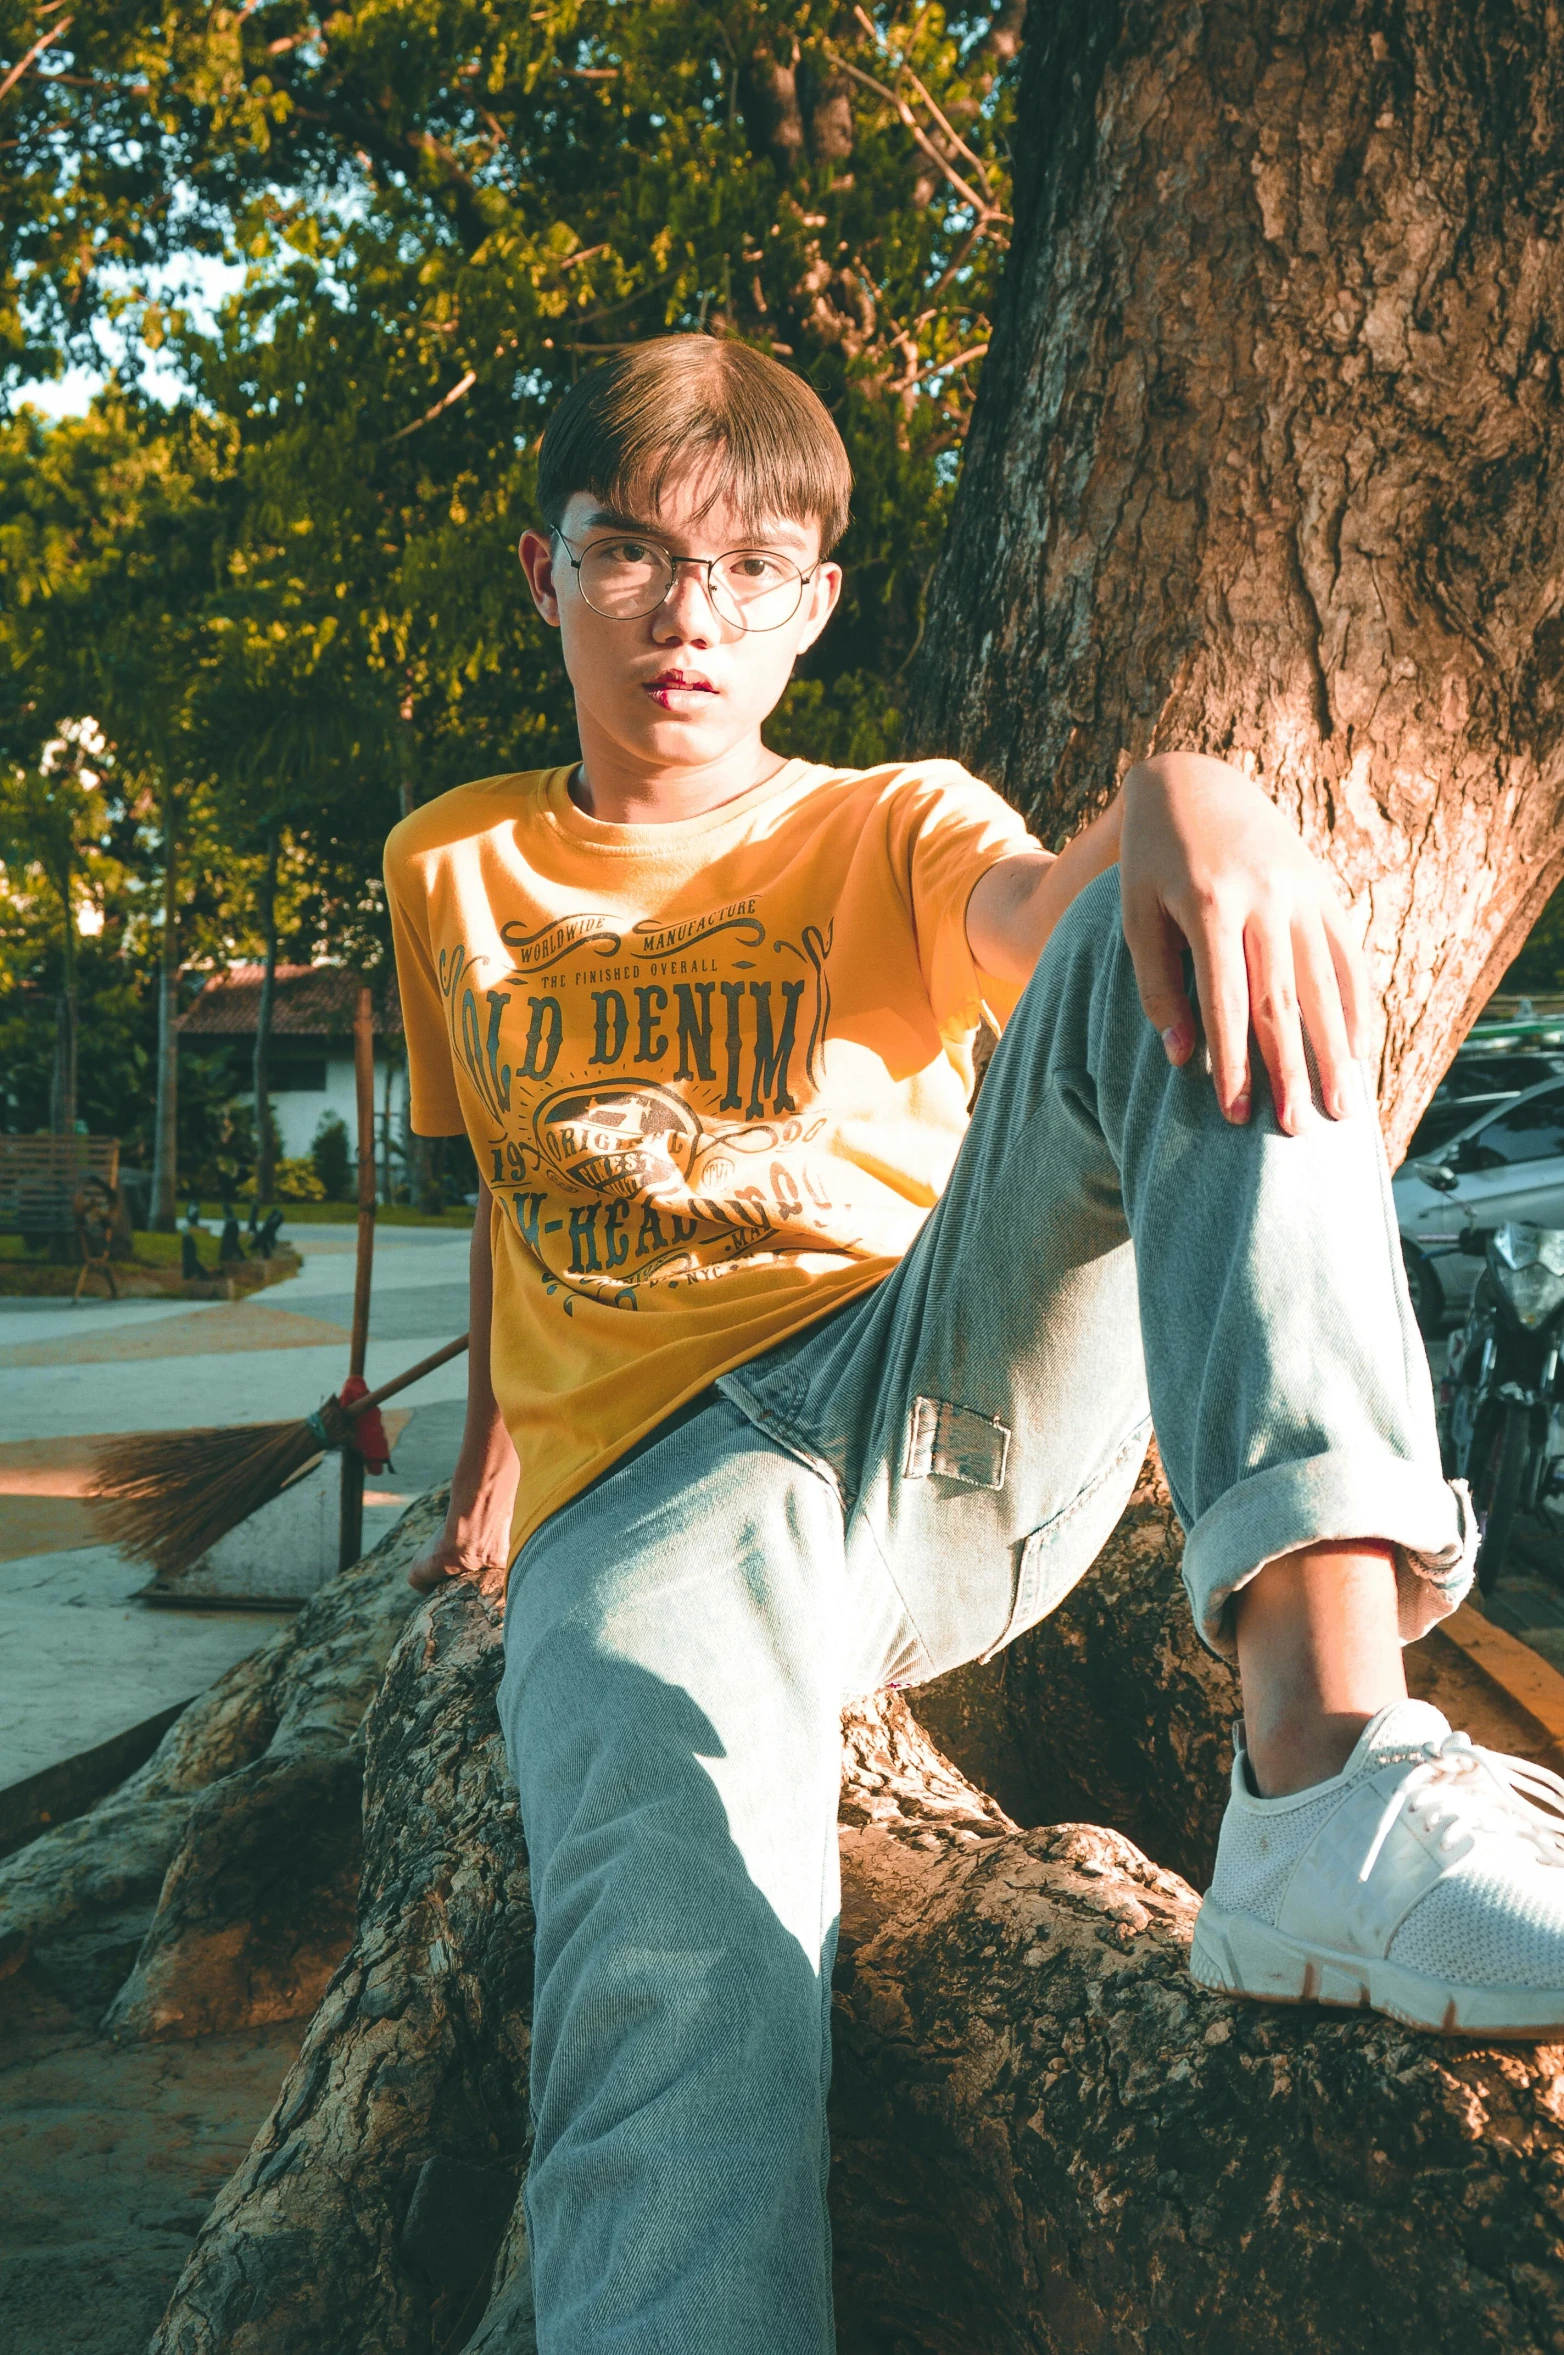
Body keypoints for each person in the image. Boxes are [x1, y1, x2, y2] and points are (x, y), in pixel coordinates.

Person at [385, 335, 1564, 2355]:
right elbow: (508, 1189)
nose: (691, 613)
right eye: (632, 553)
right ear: (542, 569)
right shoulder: (449, 864)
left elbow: (1047, 914)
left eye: (755, 567)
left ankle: (1330, 1774)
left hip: (923, 1402)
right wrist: (490, 1481)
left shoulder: (888, 824)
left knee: (1194, 955)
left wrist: (1196, 799)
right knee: (672, 1988)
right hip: (639, 1509)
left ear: (814, 606)